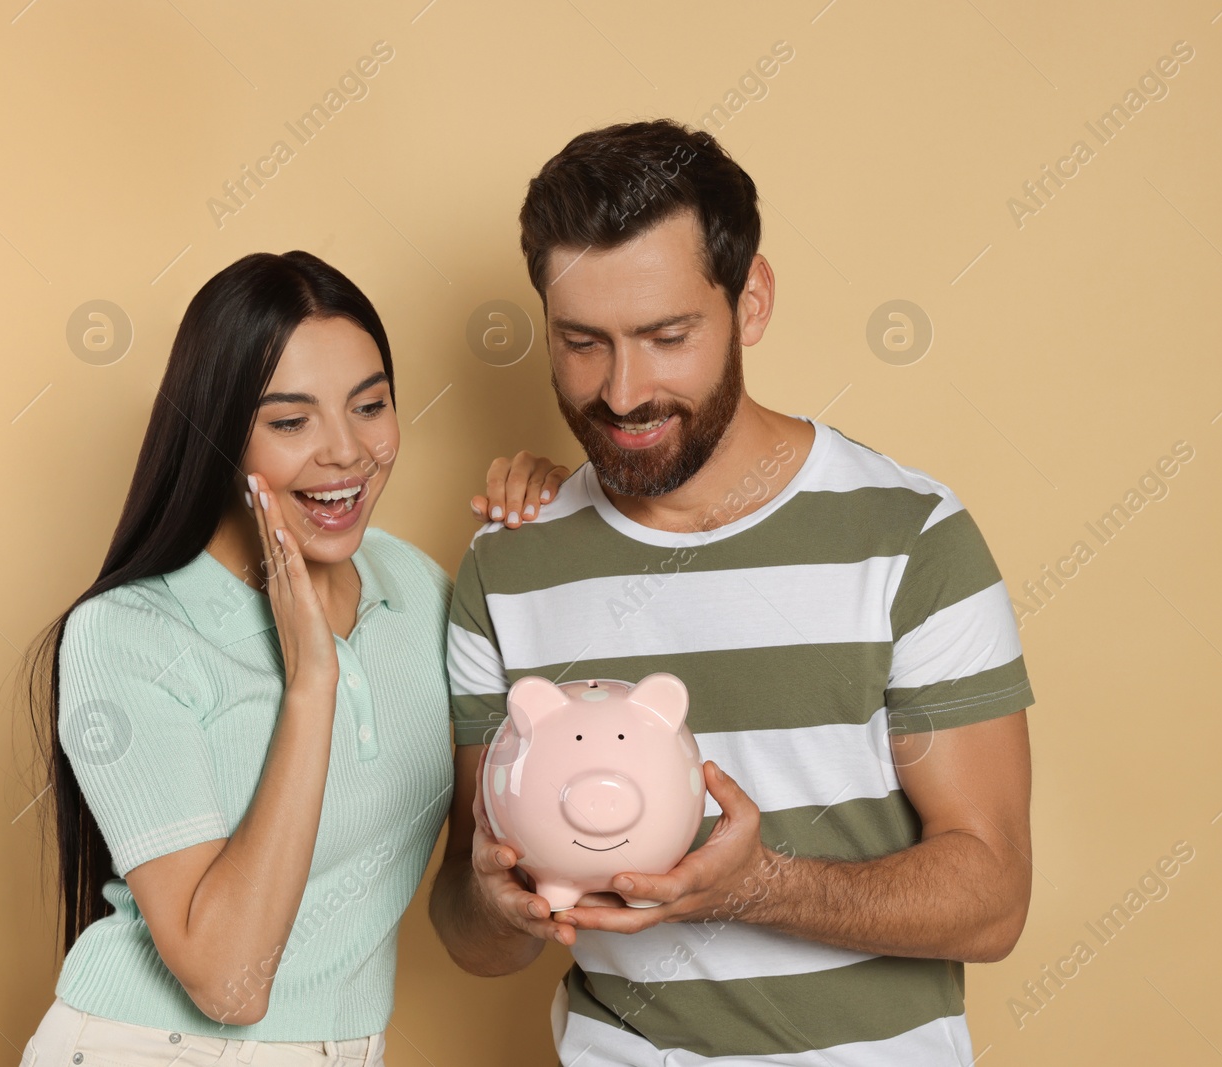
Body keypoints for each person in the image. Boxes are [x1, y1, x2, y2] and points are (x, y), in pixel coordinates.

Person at [429, 120, 1038, 1066]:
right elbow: (471, 935)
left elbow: (994, 895)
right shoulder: (507, 565)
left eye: (666, 335)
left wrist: (759, 886)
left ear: (750, 300)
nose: (624, 392)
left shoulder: (909, 538)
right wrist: (500, 902)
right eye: (582, 342)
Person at [19, 250, 567, 1066]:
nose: (346, 452)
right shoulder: (128, 633)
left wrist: (572, 529)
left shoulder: (418, 589)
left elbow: (476, 915)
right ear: (216, 434)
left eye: (370, 405)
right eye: (289, 421)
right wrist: (313, 684)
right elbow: (230, 984)